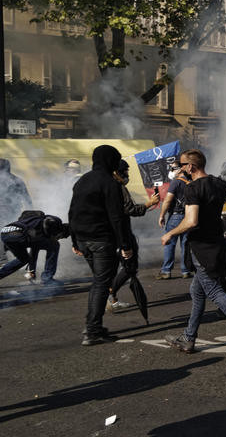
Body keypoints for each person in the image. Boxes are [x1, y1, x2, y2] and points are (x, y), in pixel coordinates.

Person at [162, 149, 226, 359]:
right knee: (197, 291)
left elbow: (191, 221)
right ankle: (189, 337)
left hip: (201, 247)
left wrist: (171, 233)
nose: (180, 169)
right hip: (217, 243)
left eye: (182, 165)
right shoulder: (219, 183)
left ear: (191, 166)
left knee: (214, 290)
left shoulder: (192, 188)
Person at [69, 145, 133, 346]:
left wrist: (74, 240)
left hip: (83, 239)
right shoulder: (110, 183)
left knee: (98, 282)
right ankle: (93, 330)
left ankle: (92, 325)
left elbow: (72, 212)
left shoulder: (82, 180)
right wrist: (125, 244)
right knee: (101, 284)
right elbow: (117, 217)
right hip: (101, 240)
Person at [106, 160, 159, 311]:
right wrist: (149, 203)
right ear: (116, 172)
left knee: (115, 267)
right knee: (130, 267)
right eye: (125, 171)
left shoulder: (105, 186)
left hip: (110, 234)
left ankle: (112, 299)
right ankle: (110, 292)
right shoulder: (118, 187)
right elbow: (130, 210)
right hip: (121, 233)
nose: (127, 174)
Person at [0, 211, 67, 288]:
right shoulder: (55, 223)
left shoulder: (36, 225)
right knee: (55, 245)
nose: (58, 238)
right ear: (60, 232)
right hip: (18, 233)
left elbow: (33, 250)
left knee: (23, 259)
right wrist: (32, 271)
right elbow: (34, 251)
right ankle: (47, 278)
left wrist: (31, 271)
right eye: (60, 237)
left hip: (5, 232)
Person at [0, 159, 33, 265]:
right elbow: (27, 199)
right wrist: (29, 213)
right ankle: (20, 258)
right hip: (16, 213)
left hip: (0, 213)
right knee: (15, 234)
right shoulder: (17, 180)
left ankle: (2, 260)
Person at [156, 160, 192, 280]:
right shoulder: (191, 182)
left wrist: (162, 215)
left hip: (175, 216)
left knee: (169, 243)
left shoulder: (176, 182)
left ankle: (166, 271)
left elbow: (167, 200)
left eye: (172, 169)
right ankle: (186, 270)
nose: (170, 172)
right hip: (188, 216)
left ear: (180, 169)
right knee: (185, 244)